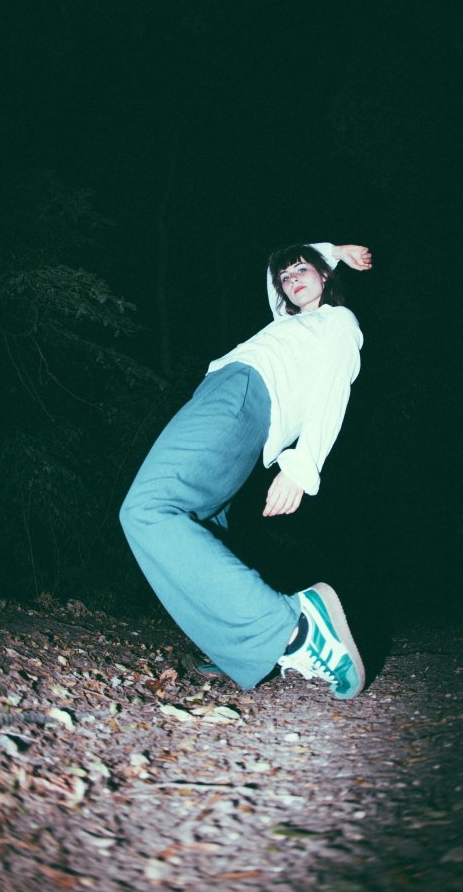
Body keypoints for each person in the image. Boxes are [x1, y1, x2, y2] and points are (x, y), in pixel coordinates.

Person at [120, 241, 372, 699]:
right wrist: (332, 250)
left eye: (303, 270)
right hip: (237, 410)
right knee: (201, 522)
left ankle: (293, 629)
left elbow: (333, 390)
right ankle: (237, 642)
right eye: (286, 279)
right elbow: (275, 270)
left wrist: (302, 466)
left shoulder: (336, 322)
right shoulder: (288, 323)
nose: (291, 280)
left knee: (148, 509)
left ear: (325, 276)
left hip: (243, 394)